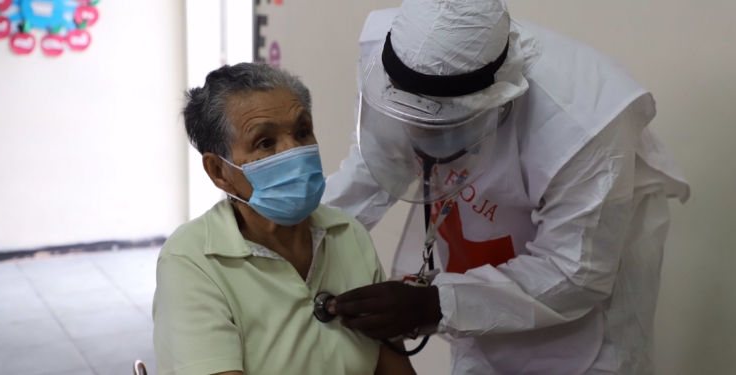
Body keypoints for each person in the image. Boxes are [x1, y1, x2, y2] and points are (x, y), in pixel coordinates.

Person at [322, 1, 690, 374]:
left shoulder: (584, 125)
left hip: (585, 316)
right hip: (477, 277)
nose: (416, 135)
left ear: (493, 97)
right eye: (407, 115)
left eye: (440, 123)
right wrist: (303, 233)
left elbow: (575, 274)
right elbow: (374, 167)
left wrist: (436, 304)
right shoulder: (393, 51)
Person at [152, 63, 416, 375]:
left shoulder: (348, 235)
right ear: (219, 172)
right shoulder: (193, 260)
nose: (294, 151)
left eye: (302, 132)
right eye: (265, 143)